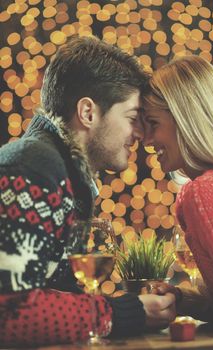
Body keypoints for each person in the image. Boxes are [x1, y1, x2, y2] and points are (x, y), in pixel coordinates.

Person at [0, 35, 176, 347]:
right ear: (88, 113)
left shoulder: (64, 172)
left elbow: (53, 294)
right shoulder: (32, 167)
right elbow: (11, 312)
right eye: (133, 119)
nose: (140, 134)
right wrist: (121, 313)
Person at [142, 54, 213, 327]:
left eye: (154, 124)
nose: (147, 140)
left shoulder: (204, 192)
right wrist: (184, 299)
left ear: (185, 118)